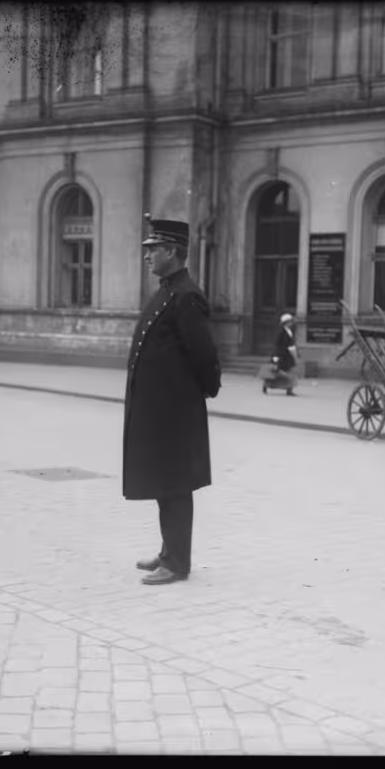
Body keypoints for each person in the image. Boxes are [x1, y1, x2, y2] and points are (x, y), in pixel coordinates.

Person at [124, 217, 221, 586]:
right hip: (161, 412)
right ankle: (168, 552)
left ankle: (178, 563)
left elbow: (204, 355)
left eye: (154, 250)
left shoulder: (186, 296)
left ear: (173, 252)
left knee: (176, 486)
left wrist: (201, 393)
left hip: (175, 413)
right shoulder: (169, 290)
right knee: (165, 484)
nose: (147, 256)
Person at [262, 313, 299, 396]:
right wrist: (276, 356)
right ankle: (266, 385)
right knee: (277, 372)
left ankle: (289, 389)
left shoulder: (289, 331)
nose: (292, 323)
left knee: (288, 372)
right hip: (280, 355)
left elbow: (291, 345)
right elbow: (278, 345)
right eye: (290, 321)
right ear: (286, 322)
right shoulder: (281, 332)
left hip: (286, 355)